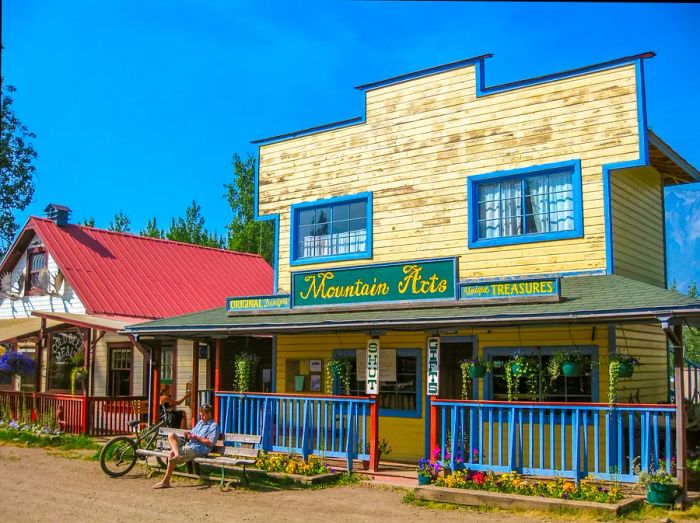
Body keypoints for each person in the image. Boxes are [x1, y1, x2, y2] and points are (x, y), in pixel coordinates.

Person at [153, 403, 219, 489]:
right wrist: (188, 435)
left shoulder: (214, 426)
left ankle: (165, 481)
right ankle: (177, 454)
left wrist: (197, 438)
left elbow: (211, 442)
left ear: (209, 413)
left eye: (203, 415)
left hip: (199, 449)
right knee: (171, 435)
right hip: (190, 444)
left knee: (171, 454)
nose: (201, 417)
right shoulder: (200, 422)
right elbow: (193, 434)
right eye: (200, 415)